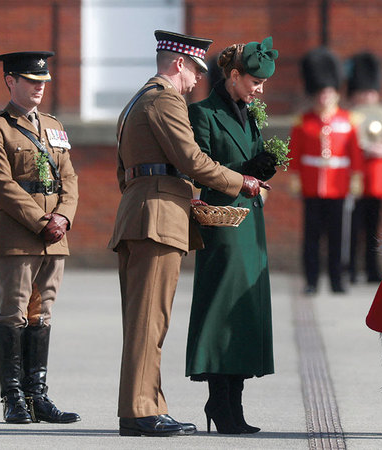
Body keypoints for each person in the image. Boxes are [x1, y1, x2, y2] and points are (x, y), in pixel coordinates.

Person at [107, 30, 269, 437]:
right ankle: (141, 411)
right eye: (196, 68)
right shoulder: (164, 98)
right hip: (156, 220)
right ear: (178, 63)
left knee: (147, 322)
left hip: (145, 209)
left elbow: (126, 167)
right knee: (149, 322)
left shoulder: (135, 101)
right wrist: (242, 183)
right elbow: (192, 159)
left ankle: (146, 406)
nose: (199, 77)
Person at [0, 51, 80, 425]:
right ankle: (13, 398)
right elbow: (1, 185)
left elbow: (69, 178)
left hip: (56, 236)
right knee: (14, 312)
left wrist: (64, 217)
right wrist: (42, 221)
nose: (39, 87)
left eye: (43, 82)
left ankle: (38, 395)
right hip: (19, 234)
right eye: (31, 81)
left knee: (43, 313)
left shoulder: (54, 125)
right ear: (11, 81)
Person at [185, 37, 279, 434]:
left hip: (250, 222)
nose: (260, 88)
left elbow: (250, 167)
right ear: (234, 76)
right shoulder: (202, 113)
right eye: (254, 80)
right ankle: (219, 403)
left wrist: (263, 169)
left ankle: (233, 405)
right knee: (222, 312)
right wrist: (245, 169)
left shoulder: (251, 112)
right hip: (222, 224)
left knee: (244, 312)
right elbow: (201, 168)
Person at [288, 47, 363, 295]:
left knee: (337, 238)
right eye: (320, 93)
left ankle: (336, 280)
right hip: (311, 186)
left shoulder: (348, 121)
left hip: (339, 186)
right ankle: (310, 281)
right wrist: (296, 178)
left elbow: (354, 154)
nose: (324, 97)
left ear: (335, 94)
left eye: (328, 92)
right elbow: (295, 153)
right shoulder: (304, 121)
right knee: (311, 239)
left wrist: (355, 179)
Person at [345, 52, 382, 284]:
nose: (368, 96)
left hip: (377, 179)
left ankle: (371, 269)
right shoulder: (350, 115)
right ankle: (349, 268)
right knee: (352, 226)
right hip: (354, 178)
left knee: (373, 227)